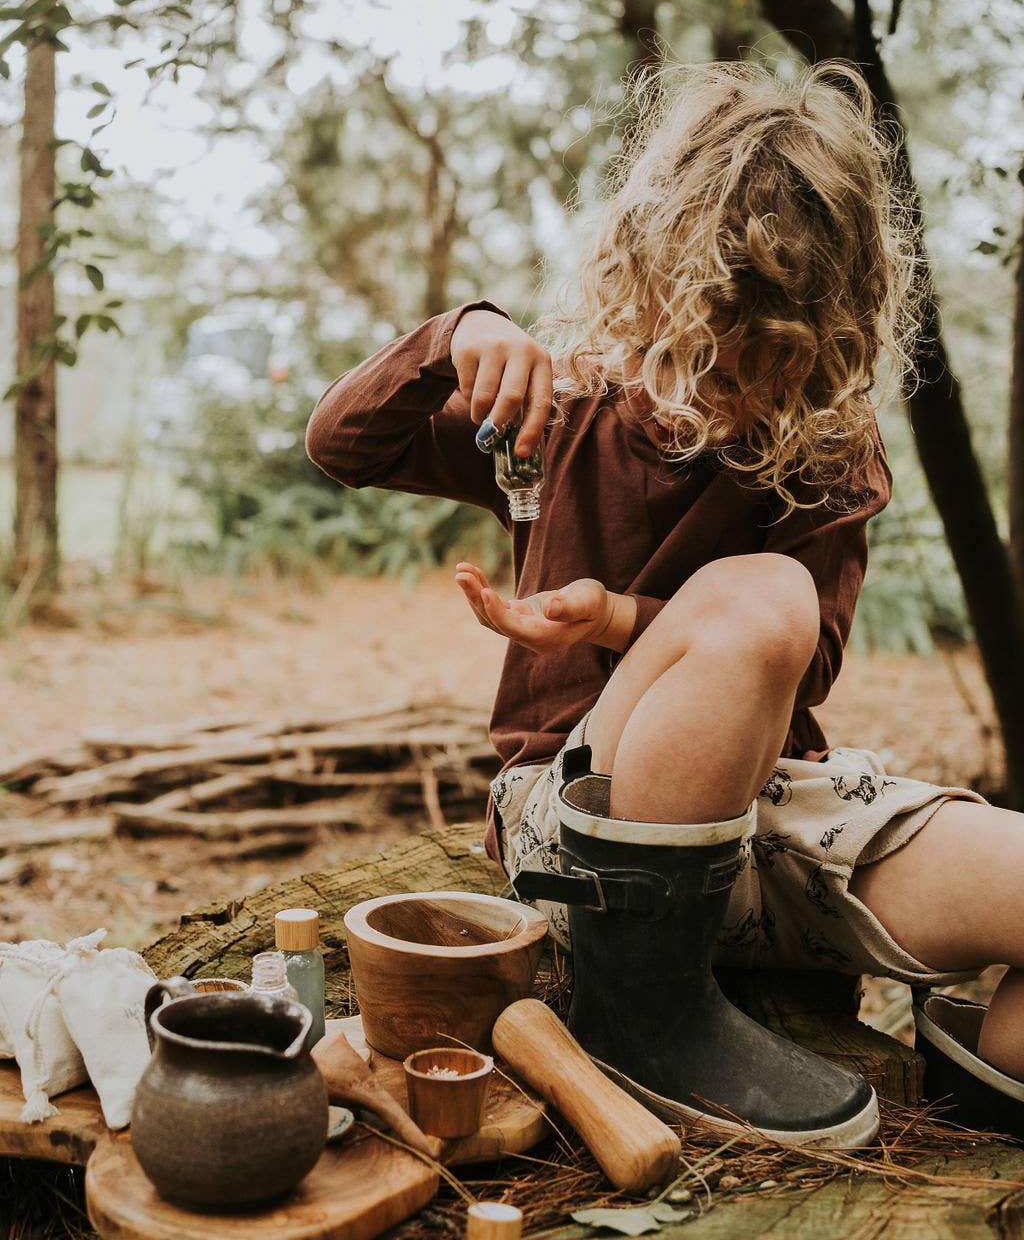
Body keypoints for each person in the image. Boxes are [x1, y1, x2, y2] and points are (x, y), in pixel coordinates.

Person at [306, 60, 1024, 1144]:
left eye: (760, 375)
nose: (721, 402)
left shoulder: (832, 451)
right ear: (643, 295)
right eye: (696, 359)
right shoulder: (564, 403)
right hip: (574, 827)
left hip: (763, 814)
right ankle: (641, 1013)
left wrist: (614, 615)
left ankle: (982, 1089)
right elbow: (344, 442)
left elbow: (806, 666)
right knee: (762, 595)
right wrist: (458, 333)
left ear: (824, 350)